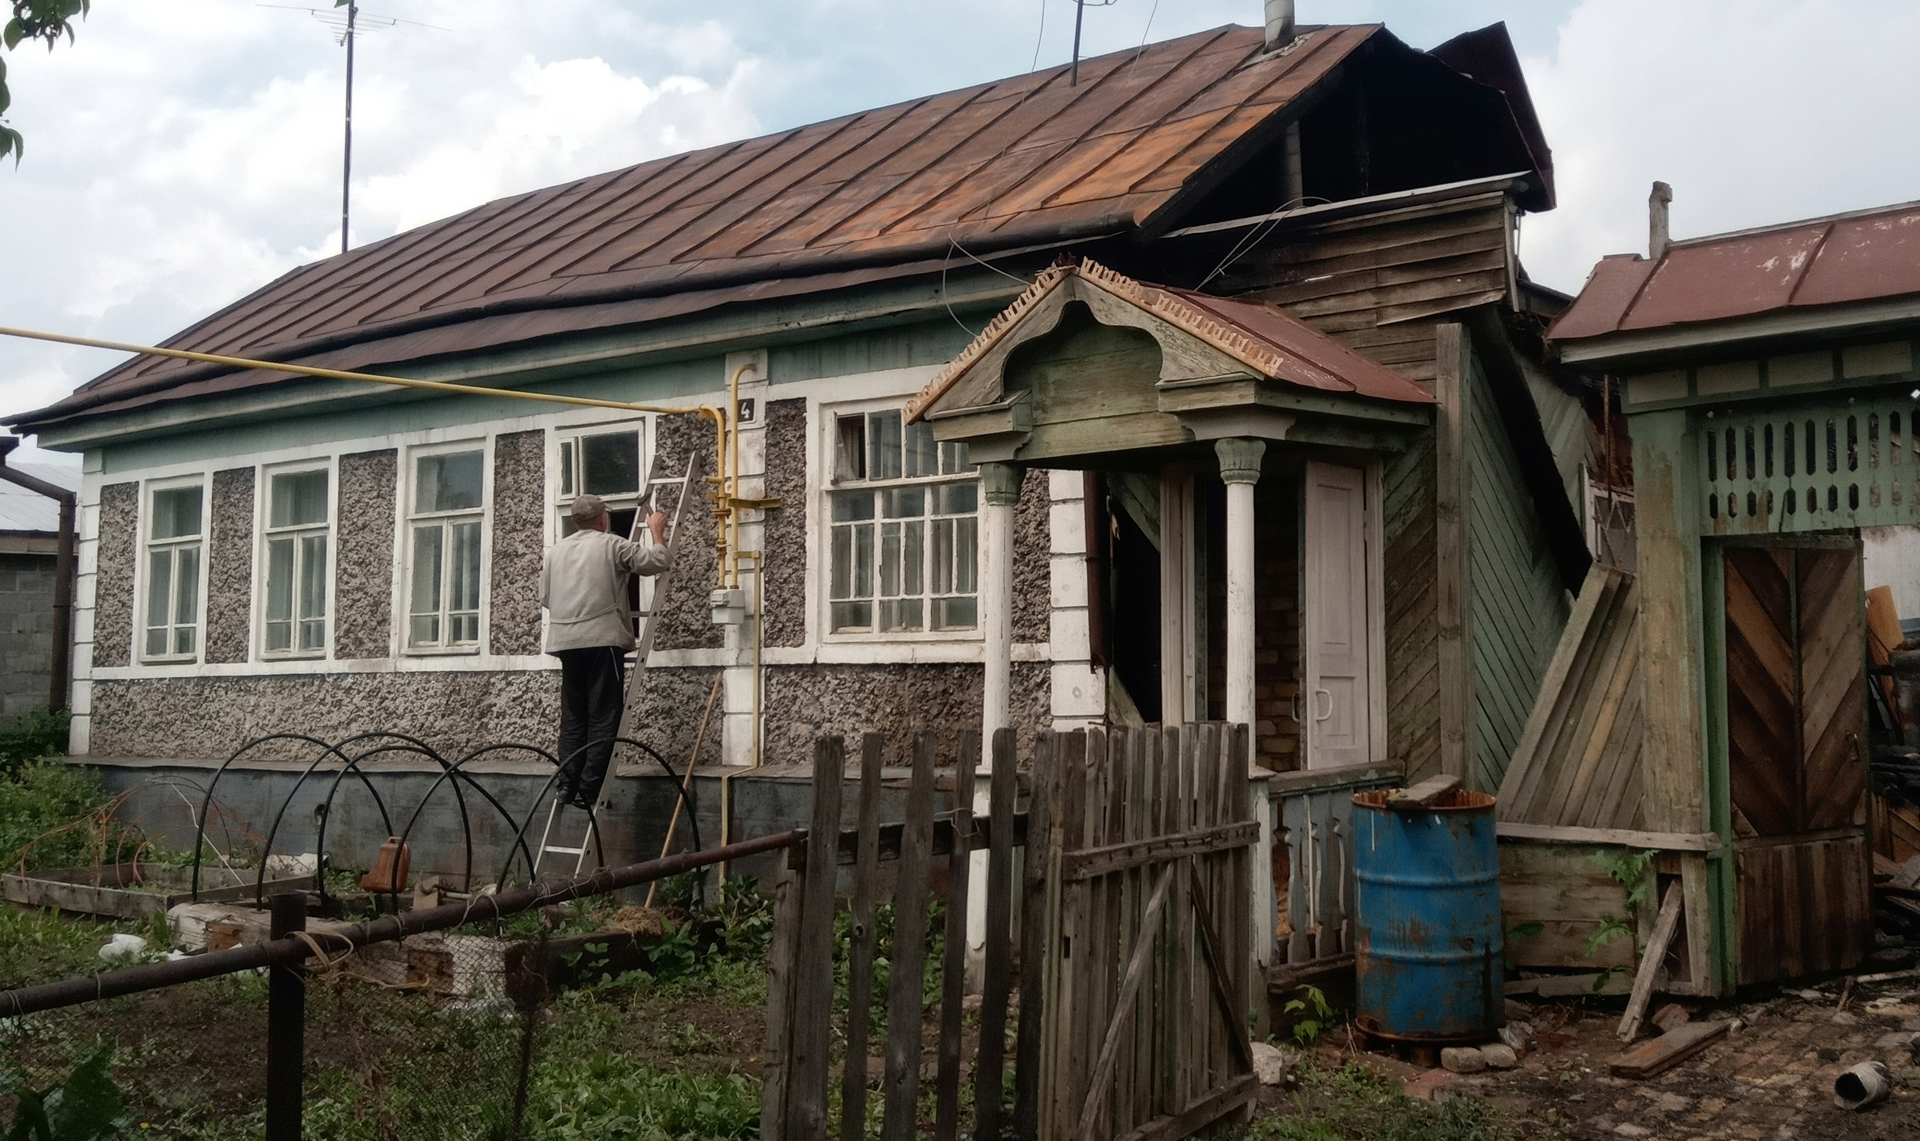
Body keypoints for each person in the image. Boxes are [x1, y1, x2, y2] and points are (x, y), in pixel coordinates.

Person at [539, 493, 671, 808]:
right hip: (602, 640)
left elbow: (546, 598)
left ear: (575, 521)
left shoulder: (555, 552)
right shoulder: (612, 544)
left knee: (574, 717)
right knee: (603, 714)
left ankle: (566, 787)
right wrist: (656, 532)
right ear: (603, 519)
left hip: (565, 643)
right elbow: (657, 562)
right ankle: (590, 790)